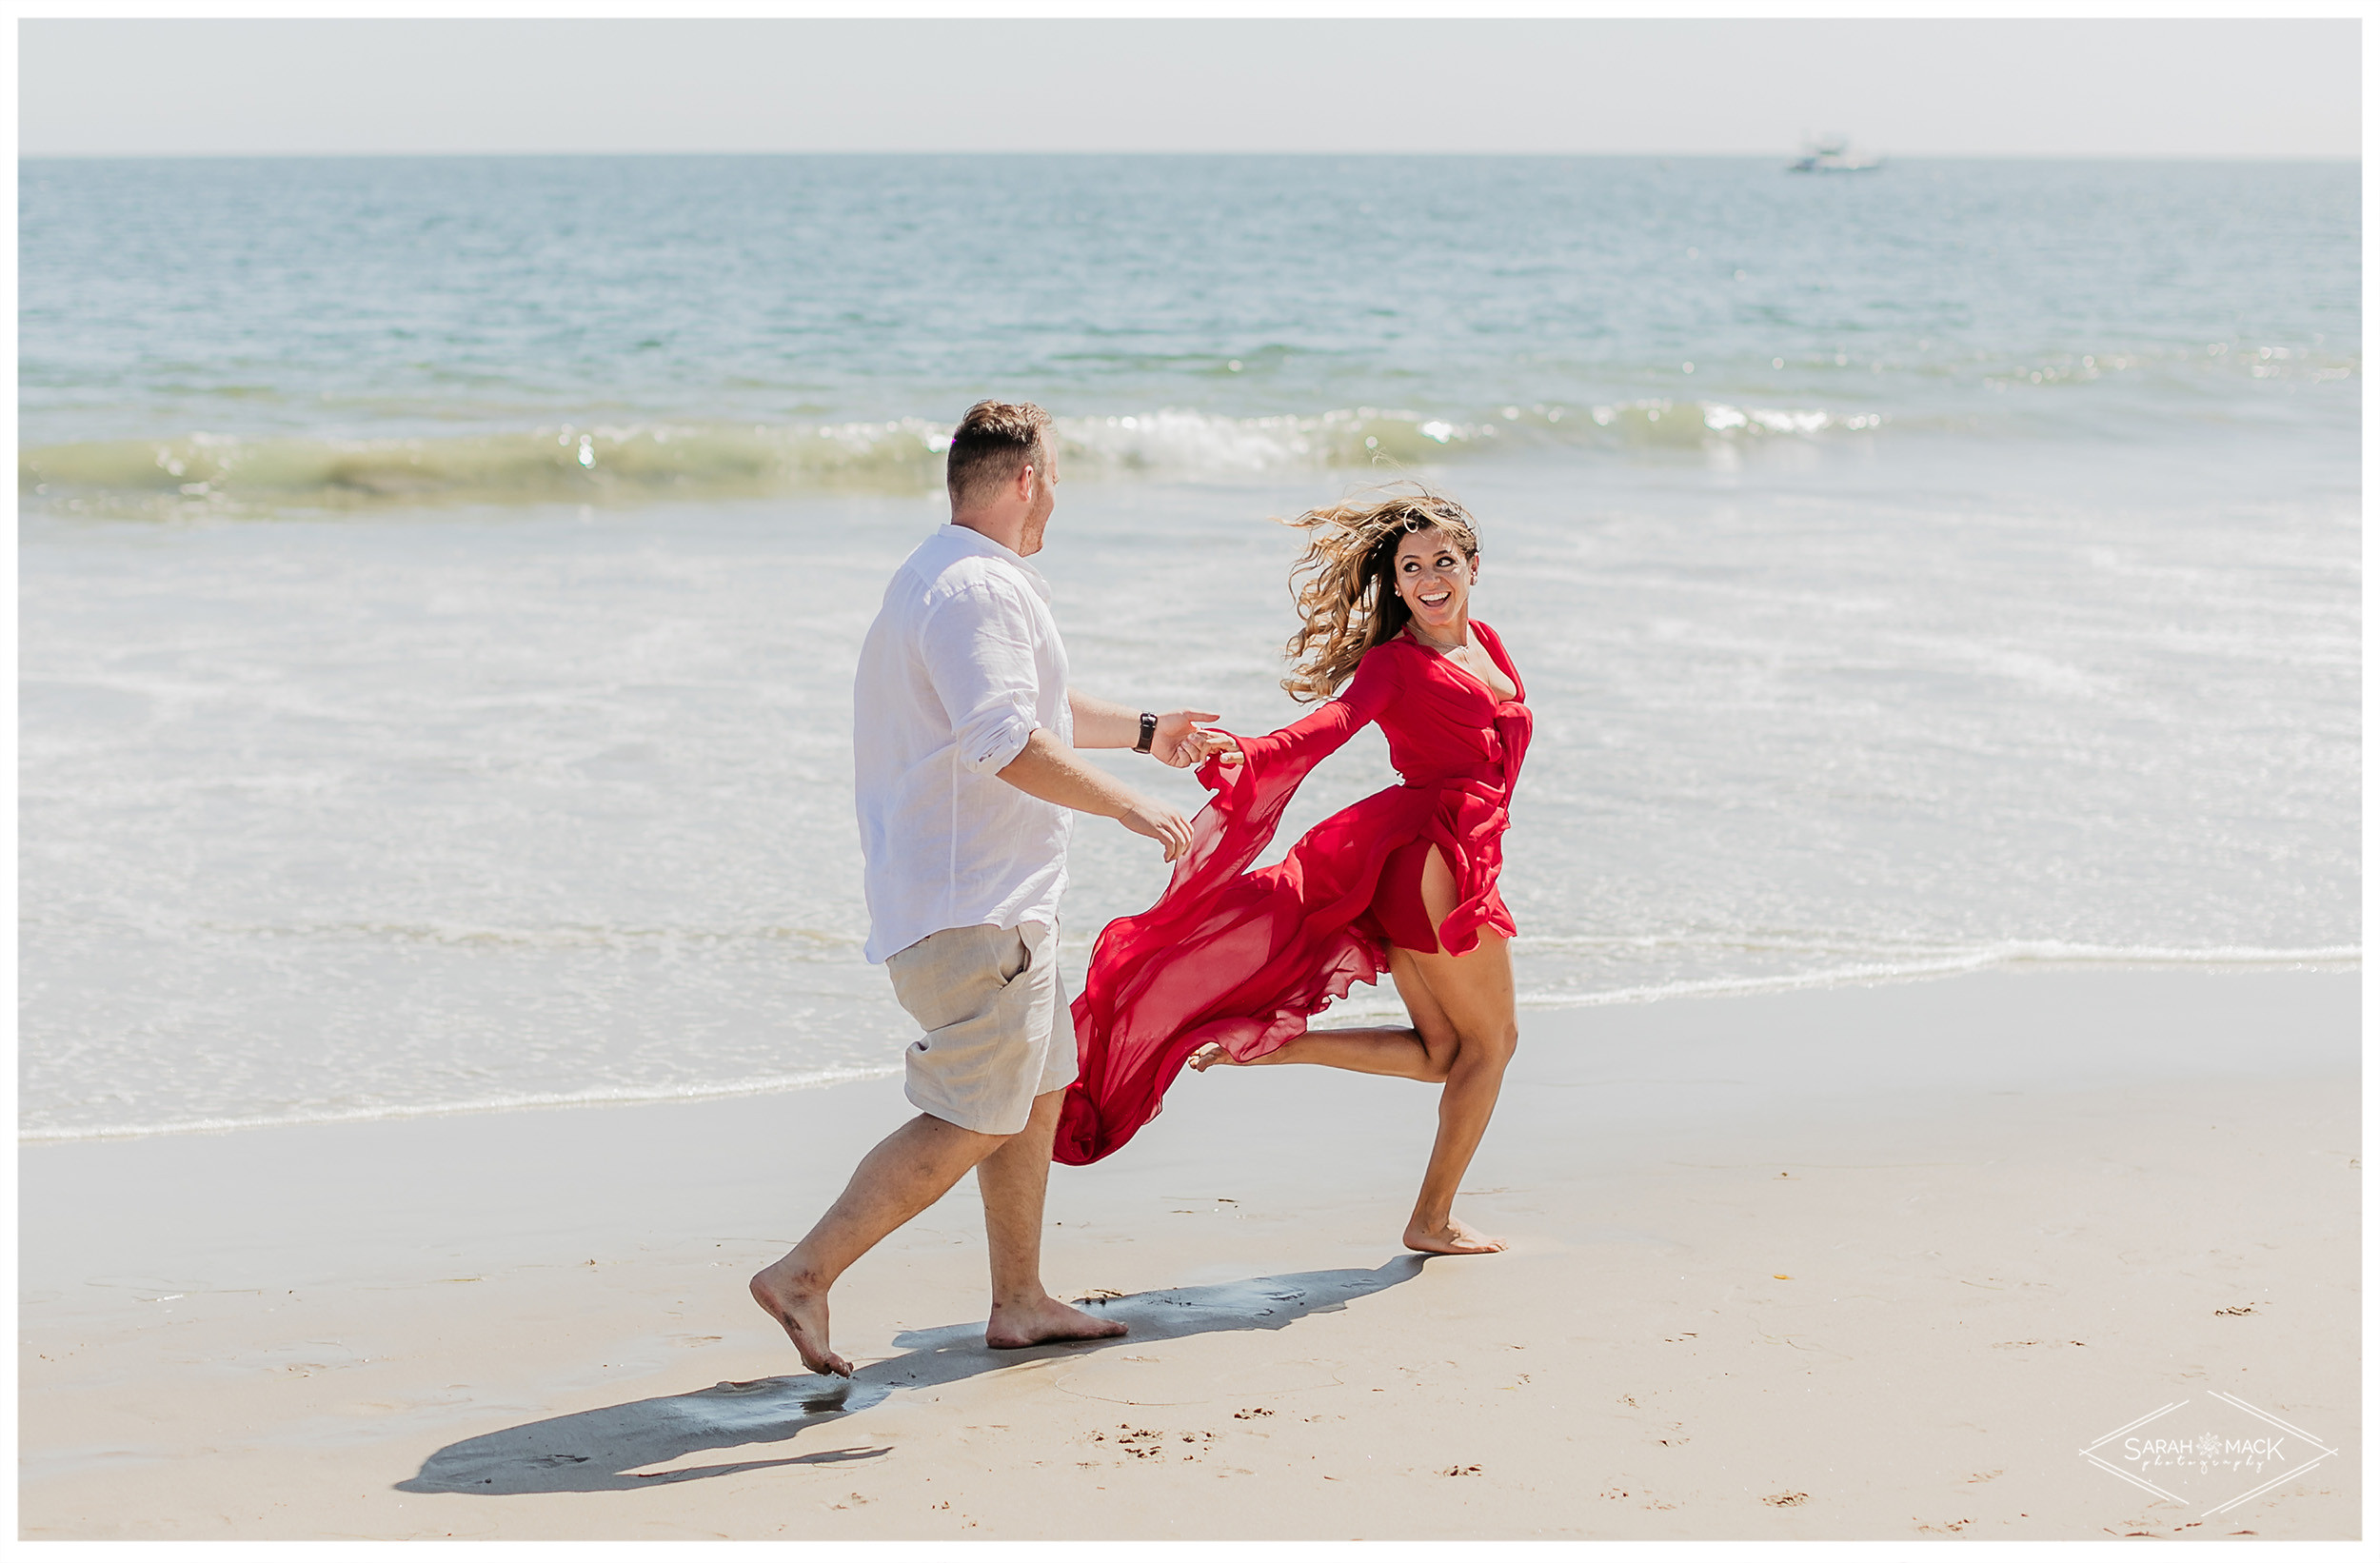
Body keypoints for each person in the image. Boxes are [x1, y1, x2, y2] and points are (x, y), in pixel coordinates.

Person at [750, 400, 1220, 1376]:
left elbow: (1026, 711)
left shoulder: (945, 576)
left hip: (987, 897)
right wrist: (1130, 806)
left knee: (1036, 1090)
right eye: (1056, 474)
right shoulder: (977, 592)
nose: (1060, 494)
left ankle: (1019, 1300)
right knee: (977, 1110)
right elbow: (1005, 741)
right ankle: (805, 1270)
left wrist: (1145, 729)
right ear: (1025, 480)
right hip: (975, 906)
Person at [1056, 487, 1531, 1256]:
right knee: (1494, 1043)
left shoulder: (1486, 643)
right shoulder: (1395, 663)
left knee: (1446, 1051)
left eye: (1444, 561)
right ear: (1397, 582)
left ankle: (1274, 1041)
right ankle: (1432, 1220)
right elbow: (1337, 721)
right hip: (1434, 857)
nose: (1429, 578)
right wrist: (1254, 751)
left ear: (1474, 567)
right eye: (1412, 568)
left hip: (1441, 854)